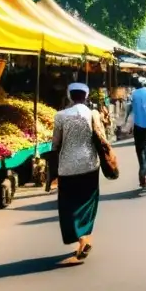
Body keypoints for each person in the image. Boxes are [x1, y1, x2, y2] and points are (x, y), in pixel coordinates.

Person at [51, 83, 105, 265]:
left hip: (67, 168)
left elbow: (55, 144)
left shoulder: (60, 116)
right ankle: (84, 237)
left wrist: (52, 170)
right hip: (90, 165)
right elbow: (102, 139)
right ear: (87, 96)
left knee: (68, 205)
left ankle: (80, 239)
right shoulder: (93, 115)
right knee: (88, 203)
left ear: (69, 96)